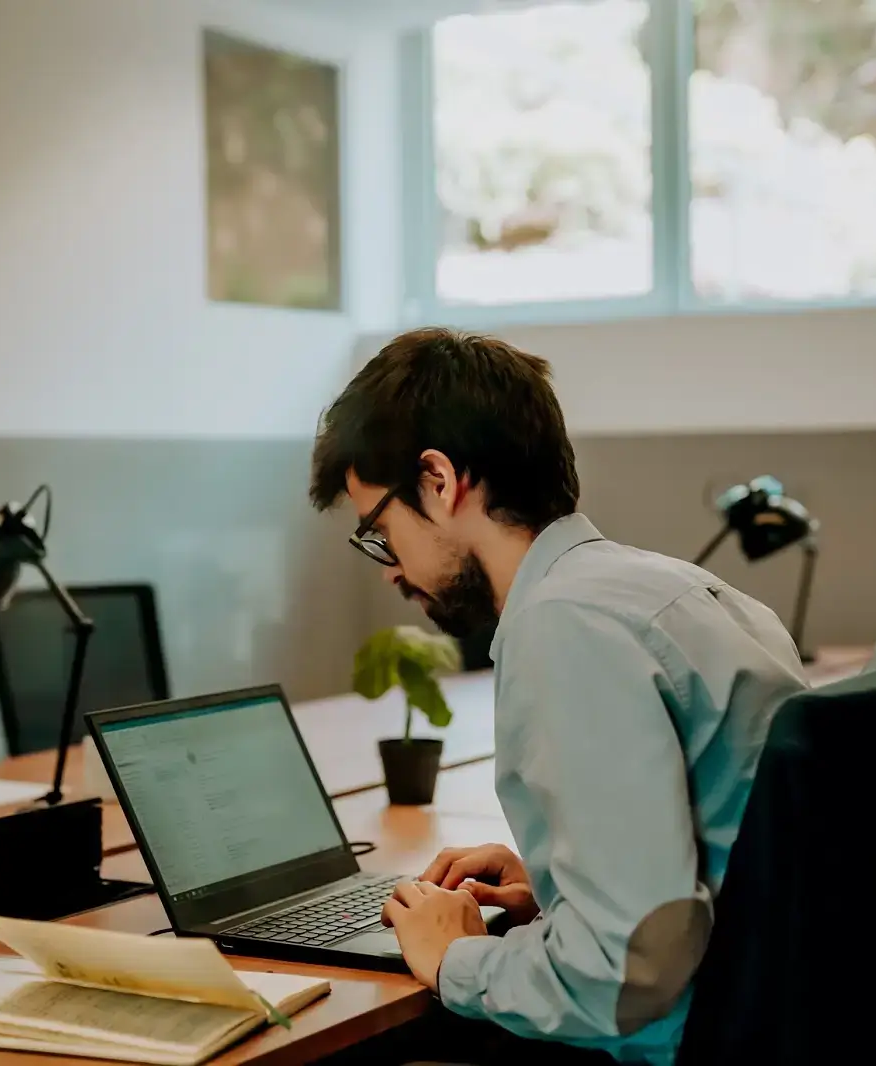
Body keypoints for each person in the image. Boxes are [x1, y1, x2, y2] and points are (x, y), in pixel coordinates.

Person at [308, 328, 809, 1064]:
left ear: (439, 481)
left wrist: (455, 960)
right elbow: (735, 861)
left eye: (380, 532)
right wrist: (561, 895)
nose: (389, 569)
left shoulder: (562, 626)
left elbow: (628, 975)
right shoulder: (675, 589)